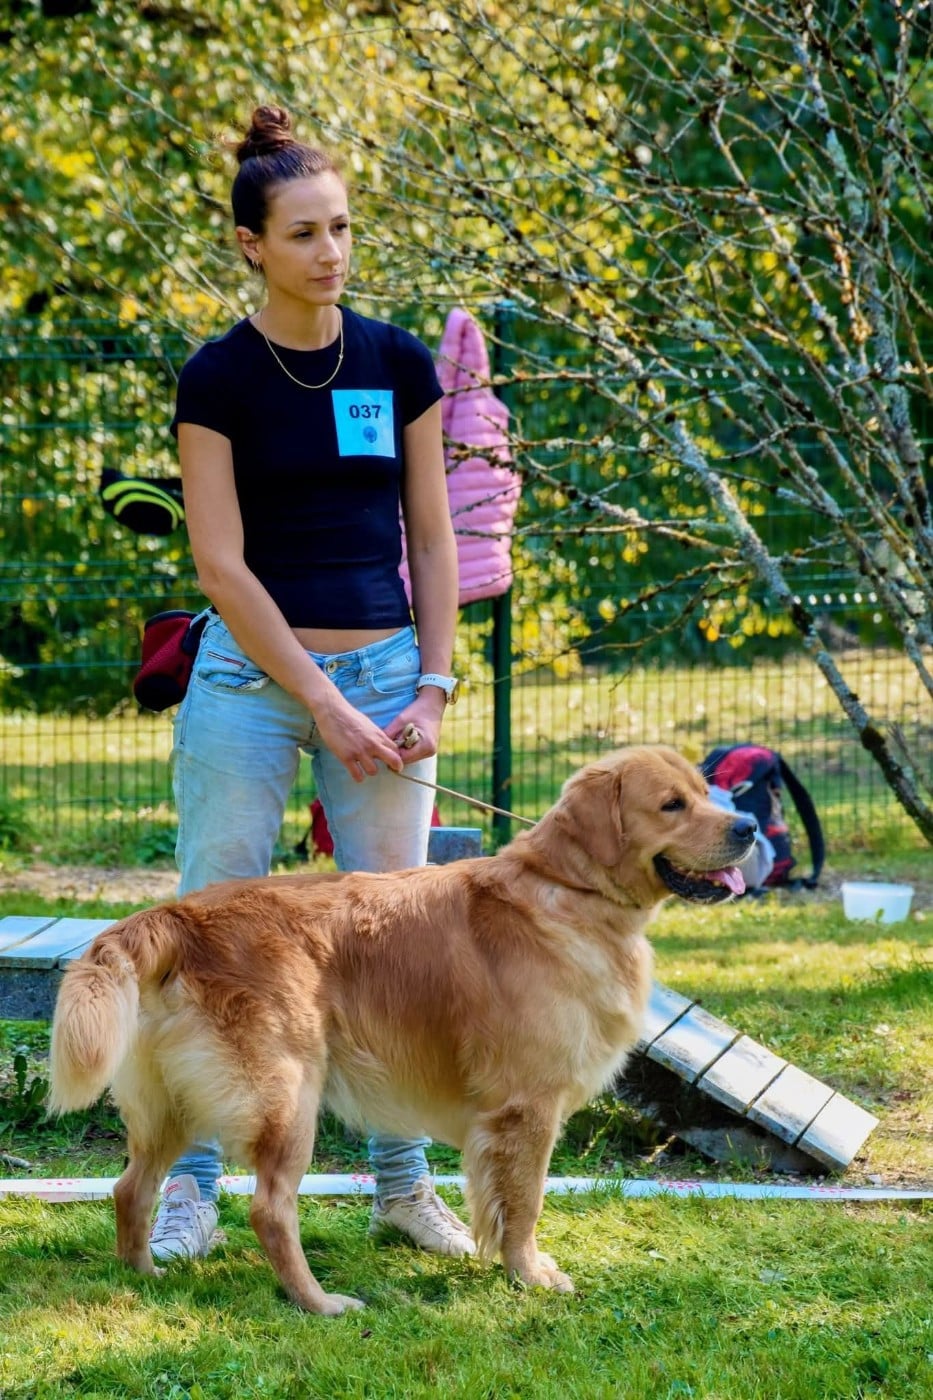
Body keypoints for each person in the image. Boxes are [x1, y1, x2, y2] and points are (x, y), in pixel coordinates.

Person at [148, 104, 471, 1263]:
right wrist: (322, 703)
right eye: (303, 233)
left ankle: (400, 1183)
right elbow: (221, 566)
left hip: (391, 674)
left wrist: (428, 687)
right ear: (250, 243)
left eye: (341, 228)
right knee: (212, 930)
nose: (331, 252)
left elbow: (431, 542)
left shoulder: (395, 361)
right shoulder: (217, 378)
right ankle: (187, 1185)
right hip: (249, 678)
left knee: (397, 940)